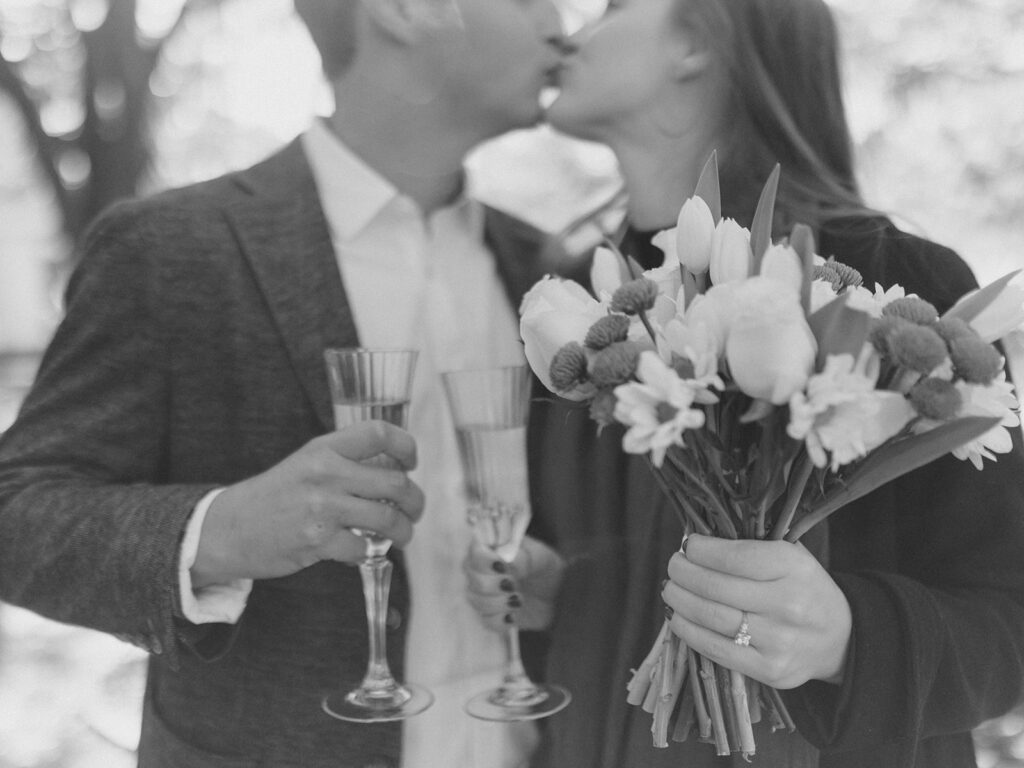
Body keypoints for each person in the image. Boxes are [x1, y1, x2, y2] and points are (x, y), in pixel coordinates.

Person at [0, 1, 569, 766]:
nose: (562, 19)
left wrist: (557, 585)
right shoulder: (172, 250)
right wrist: (222, 528)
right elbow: (17, 514)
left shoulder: (546, 269)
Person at [467, 0, 1024, 766]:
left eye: (612, 7)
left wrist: (846, 637)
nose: (572, 28)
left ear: (695, 40)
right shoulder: (574, 315)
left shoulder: (899, 292)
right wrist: (565, 590)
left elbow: (1007, 618)